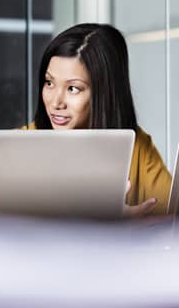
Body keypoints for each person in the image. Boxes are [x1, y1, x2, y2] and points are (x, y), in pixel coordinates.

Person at [24, 23, 171, 216]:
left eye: (73, 88)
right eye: (49, 83)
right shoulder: (21, 144)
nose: (55, 102)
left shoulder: (138, 147)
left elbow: (173, 223)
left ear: (104, 93)